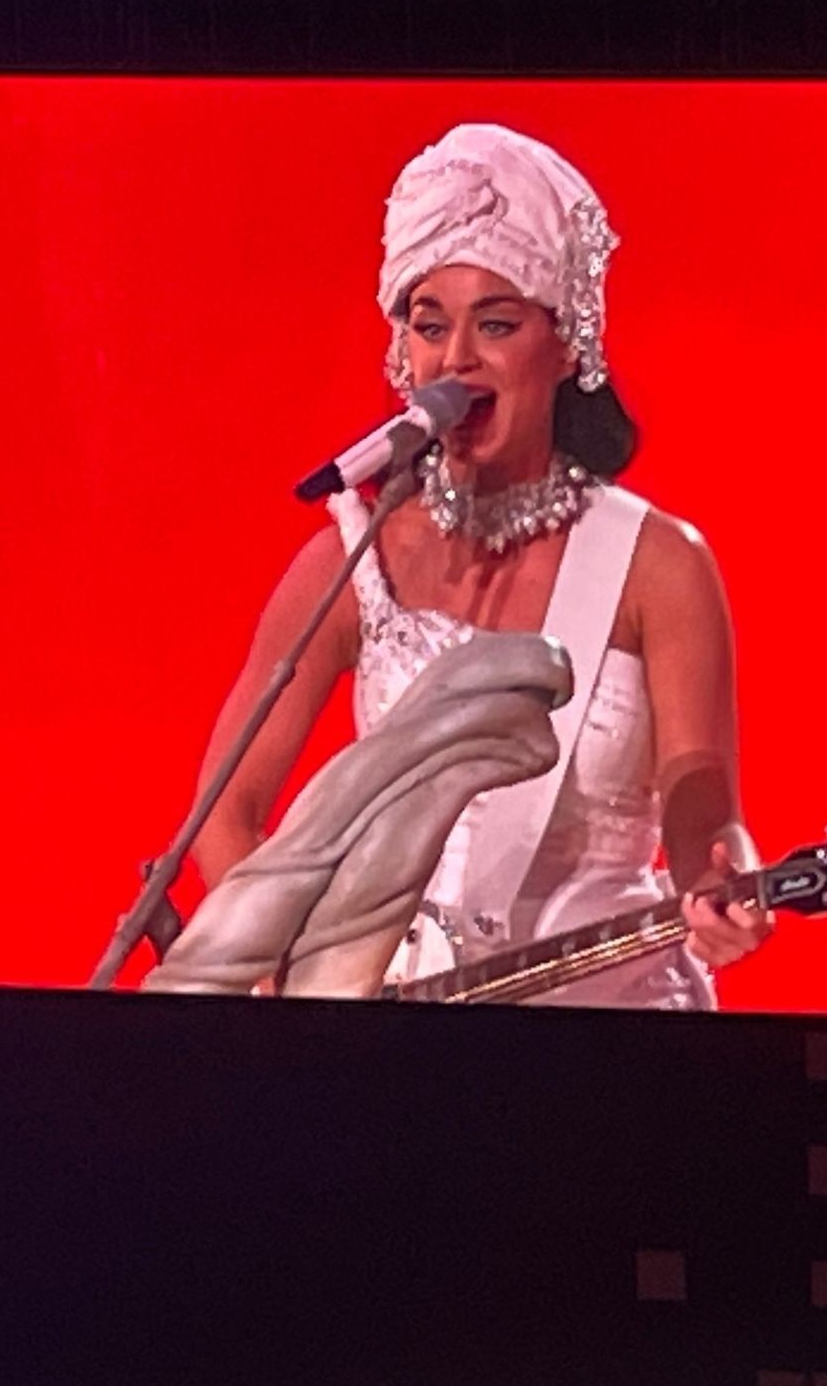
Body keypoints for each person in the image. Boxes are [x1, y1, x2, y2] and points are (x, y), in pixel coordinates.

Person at [187, 122, 772, 1008]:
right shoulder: (355, 558)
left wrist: (721, 875)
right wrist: (300, 982)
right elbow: (225, 814)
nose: (456, 357)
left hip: (609, 1017)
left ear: (567, 344)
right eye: (431, 327)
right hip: (397, 1040)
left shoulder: (657, 564)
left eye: (495, 324)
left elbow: (701, 794)